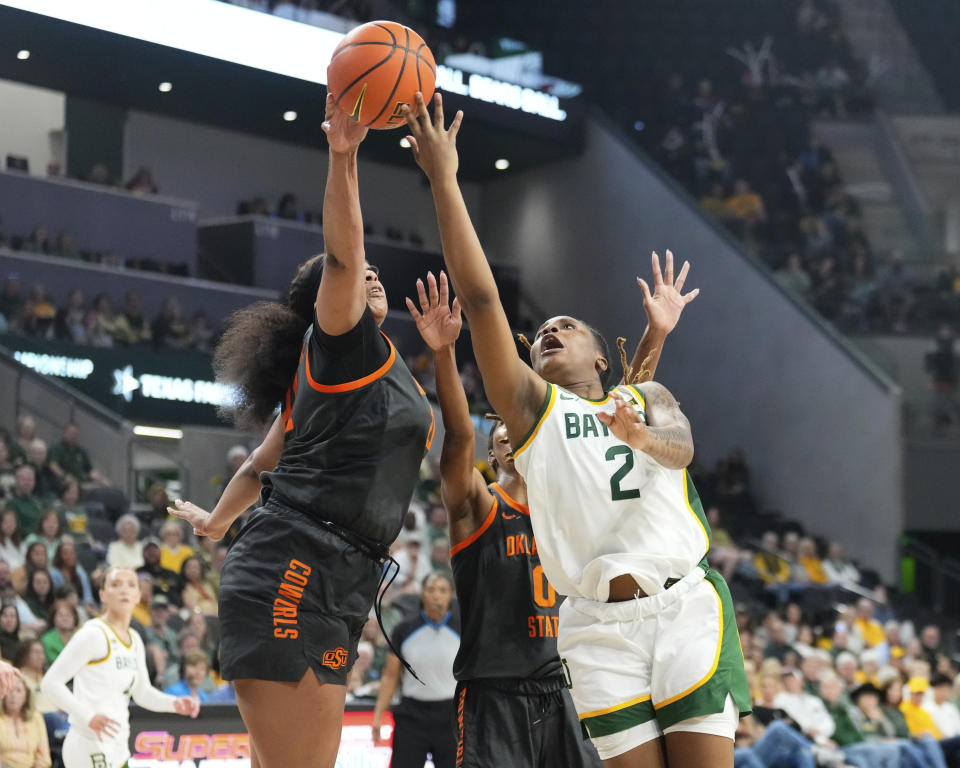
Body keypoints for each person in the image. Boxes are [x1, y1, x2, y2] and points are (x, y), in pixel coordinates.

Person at [402, 92, 750, 767]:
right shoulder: (534, 418)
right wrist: (444, 177)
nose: (548, 332)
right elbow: (480, 302)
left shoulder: (644, 395)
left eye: (567, 327)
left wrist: (643, 425)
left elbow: (682, 451)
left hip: (682, 606)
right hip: (596, 627)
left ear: (600, 356)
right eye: (540, 335)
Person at [169, 93, 434, 768]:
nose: (369, 275)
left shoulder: (332, 385)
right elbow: (343, 258)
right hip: (297, 566)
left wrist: (215, 523)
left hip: (332, 572)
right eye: (357, 274)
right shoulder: (339, 344)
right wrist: (343, 155)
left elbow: (262, 463)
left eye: (376, 274)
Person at [407, 265, 689, 766]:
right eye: (501, 437)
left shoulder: (573, 499)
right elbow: (458, 436)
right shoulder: (483, 505)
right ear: (496, 455)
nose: (510, 437)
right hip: (494, 690)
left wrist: (655, 334)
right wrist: (445, 353)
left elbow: (616, 414)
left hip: (567, 683)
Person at [41, 567, 200, 768]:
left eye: (131, 585)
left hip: (118, 745)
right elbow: (50, 683)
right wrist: (87, 717)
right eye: (115, 585)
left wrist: (174, 704)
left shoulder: (134, 639)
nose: (124, 590)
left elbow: (142, 693)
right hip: (90, 743)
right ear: (102, 595)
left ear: (138, 596)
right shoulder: (93, 634)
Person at [371, 573, 459, 768]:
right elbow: (390, 676)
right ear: (422, 594)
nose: (437, 596)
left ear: (450, 595)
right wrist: (378, 715)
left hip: (450, 718)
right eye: (431, 590)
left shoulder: (462, 629)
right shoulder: (404, 630)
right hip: (412, 717)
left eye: (443, 590)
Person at [0, 676, 50, 768]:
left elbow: (43, 756)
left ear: (26, 696)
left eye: (18, 691)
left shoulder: (36, 717)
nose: (13, 695)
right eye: (9, 690)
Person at [40, 599, 79, 665]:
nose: (65, 618)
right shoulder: (47, 640)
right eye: (61, 615)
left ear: (75, 619)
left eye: (69, 615)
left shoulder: (79, 637)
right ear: (53, 618)